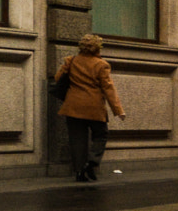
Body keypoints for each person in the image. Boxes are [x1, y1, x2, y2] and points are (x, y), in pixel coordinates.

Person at [53, 33, 125, 182]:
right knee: (101, 134)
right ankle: (91, 163)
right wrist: (118, 110)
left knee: (77, 140)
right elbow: (108, 88)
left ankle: (79, 172)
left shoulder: (71, 61)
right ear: (97, 48)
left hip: (73, 106)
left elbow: (57, 78)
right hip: (94, 107)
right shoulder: (101, 65)